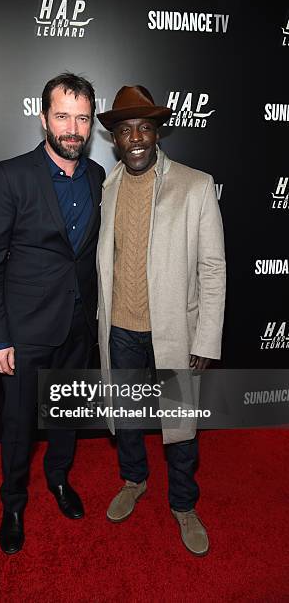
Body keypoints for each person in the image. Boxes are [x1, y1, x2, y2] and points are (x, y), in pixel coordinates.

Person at [0, 73, 105, 554]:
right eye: (63, 116)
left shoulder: (97, 177)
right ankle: (12, 503)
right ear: (43, 119)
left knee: (66, 415)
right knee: (18, 424)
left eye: (82, 118)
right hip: (25, 329)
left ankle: (59, 480)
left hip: (77, 325)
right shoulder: (9, 175)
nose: (73, 129)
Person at [96, 85, 226, 556]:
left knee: (179, 423)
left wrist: (207, 337)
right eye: (126, 130)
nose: (135, 138)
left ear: (157, 133)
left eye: (144, 129)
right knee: (127, 416)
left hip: (173, 330)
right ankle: (133, 479)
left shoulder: (195, 184)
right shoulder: (106, 187)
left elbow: (212, 267)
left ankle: (184, 504)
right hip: (121, 328)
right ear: (115, 138)